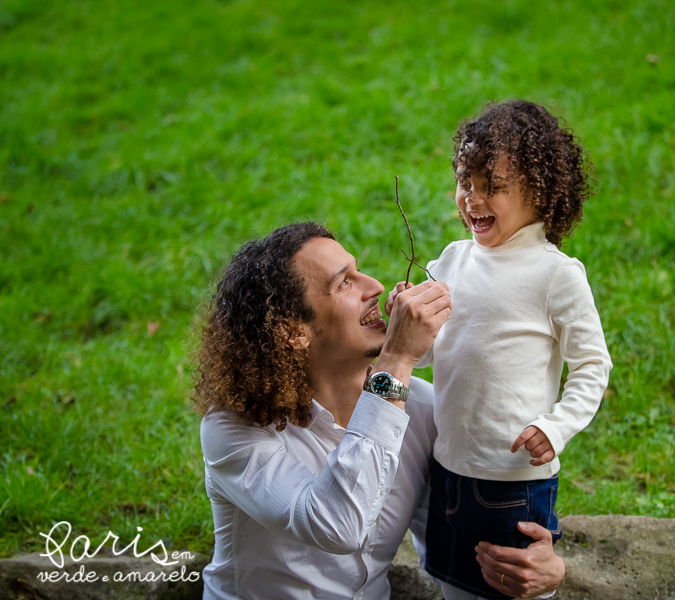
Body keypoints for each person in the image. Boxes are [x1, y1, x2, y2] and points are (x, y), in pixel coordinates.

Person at [193, 221, 565, 599]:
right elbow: (336, 525)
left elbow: (455, 541)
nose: (374, 286)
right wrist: (399, 358)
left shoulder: (423, 409)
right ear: (294, 332)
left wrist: (539, 568)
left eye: (358, 271)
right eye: (344, 283)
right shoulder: (233, 429)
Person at [386, 100, 613, 600]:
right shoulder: (452, 260)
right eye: (467, 182)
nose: (472, 199)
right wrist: (401, 324)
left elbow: (593, 366)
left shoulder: (556, 275)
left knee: (511, 586)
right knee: (452, 582)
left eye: (493, 187)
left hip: (512, 483)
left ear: (541, 193)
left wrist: (556, 426)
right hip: (448, 469)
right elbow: (428, 351)